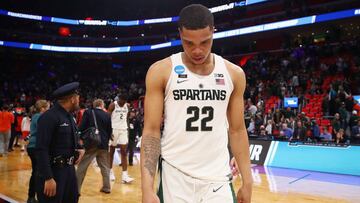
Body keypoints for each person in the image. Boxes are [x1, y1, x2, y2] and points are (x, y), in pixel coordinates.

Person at [141, 4, 252, 203]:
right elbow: (151, 131)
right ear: (180, 35)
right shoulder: (161, 71)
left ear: (213, 32)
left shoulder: (234, 74)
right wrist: (146, 188)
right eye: (189, 43)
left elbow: (237, 130)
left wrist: (248, 181)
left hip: (217, 178)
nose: (197, 50)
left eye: (205, 42)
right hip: (174, 175)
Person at [35, 82, 85, 203]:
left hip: (69, 170)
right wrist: (48, 177)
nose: (79, 100)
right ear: (72, 99)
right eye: (78, 98)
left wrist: (80, 149)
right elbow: (41, 149)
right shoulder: (49, 117)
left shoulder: (69, 117)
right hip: (54, 172)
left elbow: (71, 138)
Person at [76, 99, 112, 194]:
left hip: (92, 143)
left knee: (82, 167)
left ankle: (76, 189)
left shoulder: (88, 112)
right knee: (104, 167)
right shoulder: (107, 115)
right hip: (103, 144)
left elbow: (81, 127)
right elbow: (109, 131)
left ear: (94, 105)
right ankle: (107, 187)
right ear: (102, 105)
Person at [26, 100, 50, 203]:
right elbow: (44, 132)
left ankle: (31, 197)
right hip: (36, 147)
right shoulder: (40, 117)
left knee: (36, 172)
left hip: (32, 146)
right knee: (38, 173)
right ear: (43, 108)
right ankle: (34, 197)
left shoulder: (36, 116)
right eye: (48, 108)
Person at [108, 94, 134, 183]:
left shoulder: (127, 106)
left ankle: (125, 175)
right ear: (119, 99)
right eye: (122, 101)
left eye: (125, 101)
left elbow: (127, 118)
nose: (123, 103)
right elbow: (108, 118)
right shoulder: (113, 105)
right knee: (111, 151)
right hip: (113, 129)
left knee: (123, 151)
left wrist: (126, 129)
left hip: (123, 129)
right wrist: (109, 131)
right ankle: (110, 172)